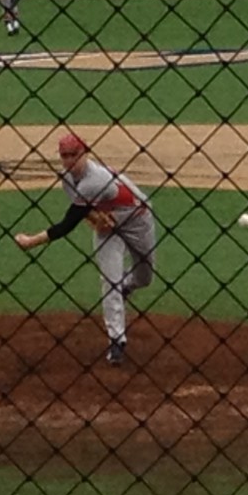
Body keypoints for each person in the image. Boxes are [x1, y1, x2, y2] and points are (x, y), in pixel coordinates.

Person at [14, 133, 156, 366]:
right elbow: (84, 212)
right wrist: (96, 218)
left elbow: (67, 225)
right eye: (64, 156)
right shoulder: (68, 179)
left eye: (74, 155)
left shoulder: (95, 179)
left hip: (138, 220)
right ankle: (117, 340)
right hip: (109, 230)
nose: (69, 161)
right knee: (109, 280)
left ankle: (125, 288)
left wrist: (31, 241)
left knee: (145, 277)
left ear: (85, 153)